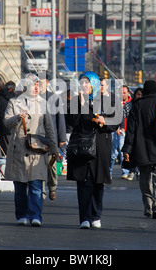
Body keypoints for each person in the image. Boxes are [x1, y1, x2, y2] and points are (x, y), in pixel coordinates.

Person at [66, 71, 121, 229]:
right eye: (82, 82)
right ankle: (84, 217)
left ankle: (96, 215)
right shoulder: (77, 100)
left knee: (98, 182)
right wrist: (81, 104)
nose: (84, 85)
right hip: (81, 146)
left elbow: (116, 122)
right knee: (83, 182)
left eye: (87, 82)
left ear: (94, 84)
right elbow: (72, 121)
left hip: (100, 145)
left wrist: (104, 121)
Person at [3, 73, 59, 227]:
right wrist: (16, 118)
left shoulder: (44, 104)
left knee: (36, 185)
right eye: (33, 85)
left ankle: (36, 216)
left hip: (37, 150)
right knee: (20, 186)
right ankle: (22, 215)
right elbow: (6, 122)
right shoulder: (14, 102)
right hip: (18, 150)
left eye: (37, 85)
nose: (36, 87)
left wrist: (54, 149)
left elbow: (50, 128)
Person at [122, 80, 156, 219]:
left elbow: (130, 130)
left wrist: (127, 149)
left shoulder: (137, 105)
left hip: (142, 148)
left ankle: (148, 206)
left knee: (144, 179)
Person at [38, 73, 66, 201]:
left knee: (51, 165)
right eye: (37, 82)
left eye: (41, 82)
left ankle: (52, 187)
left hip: (51, 137)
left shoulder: (55, 98)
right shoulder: (33, 98)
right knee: (38, 166)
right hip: (37, 138)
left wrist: (61, 138)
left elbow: (61, 119)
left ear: (47, 82)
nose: (39, 85)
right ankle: (41, 191)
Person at [110, 84, 133, 179]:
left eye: (124, 92)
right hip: (115, 130)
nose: (122, 94)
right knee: (112, 153)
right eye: (121, 93)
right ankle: (109, 171)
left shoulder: (131, 103)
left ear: (128, 93)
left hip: (127, 130)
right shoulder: (114, 103)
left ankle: (126, 171)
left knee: (123, 151)